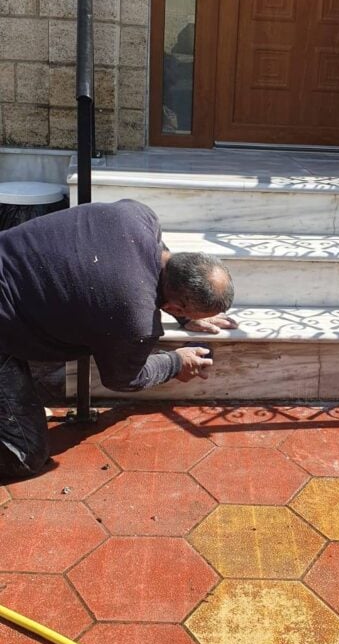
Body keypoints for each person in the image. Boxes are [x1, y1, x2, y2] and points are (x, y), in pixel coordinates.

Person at [0, 198, 235, 483]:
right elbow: (124, 378)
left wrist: (185, 316)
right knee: (25, 455)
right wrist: (176, 363)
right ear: (174, 306)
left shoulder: (139, 216)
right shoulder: (134, 318)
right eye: (184, 312)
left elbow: (161, 264)